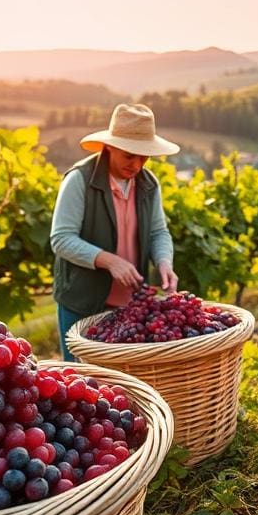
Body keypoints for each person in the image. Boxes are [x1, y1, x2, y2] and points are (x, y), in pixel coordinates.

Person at [50, 103, 180, 359]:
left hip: (129, 307)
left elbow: (158, 232)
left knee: (122, 389)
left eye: (143, 157)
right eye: (129, 155)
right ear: (109, 147)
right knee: (83, 381)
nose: (137, 165)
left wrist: (165, 262)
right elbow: (61, 239)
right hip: (82, 304)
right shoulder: (79, 179)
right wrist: (109, 261)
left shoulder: (149, 184)